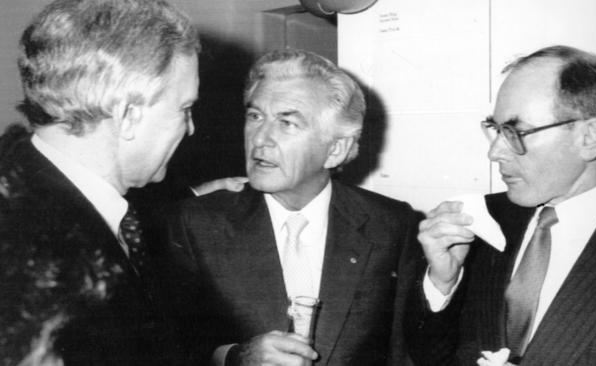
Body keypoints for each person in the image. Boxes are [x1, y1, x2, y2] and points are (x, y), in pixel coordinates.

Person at [164, 48, 421, 366]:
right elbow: (170, 347)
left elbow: (404, 353)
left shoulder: (392, 225)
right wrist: (236, 358)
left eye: (287, 123)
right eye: (255, 116)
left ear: (335, 150)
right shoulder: (195, 223)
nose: (261, 138)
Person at [0, 0, 221, 364]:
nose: (191, 128)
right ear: (129, 116)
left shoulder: (49, 202)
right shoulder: (29, 256)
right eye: (184, 109)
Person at [405, 45, 596, 366]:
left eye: (516, 131)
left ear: (589, 137)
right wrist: (442, 284)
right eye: (495, 129)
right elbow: (430, 356)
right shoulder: (479, 223)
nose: (495, 152)